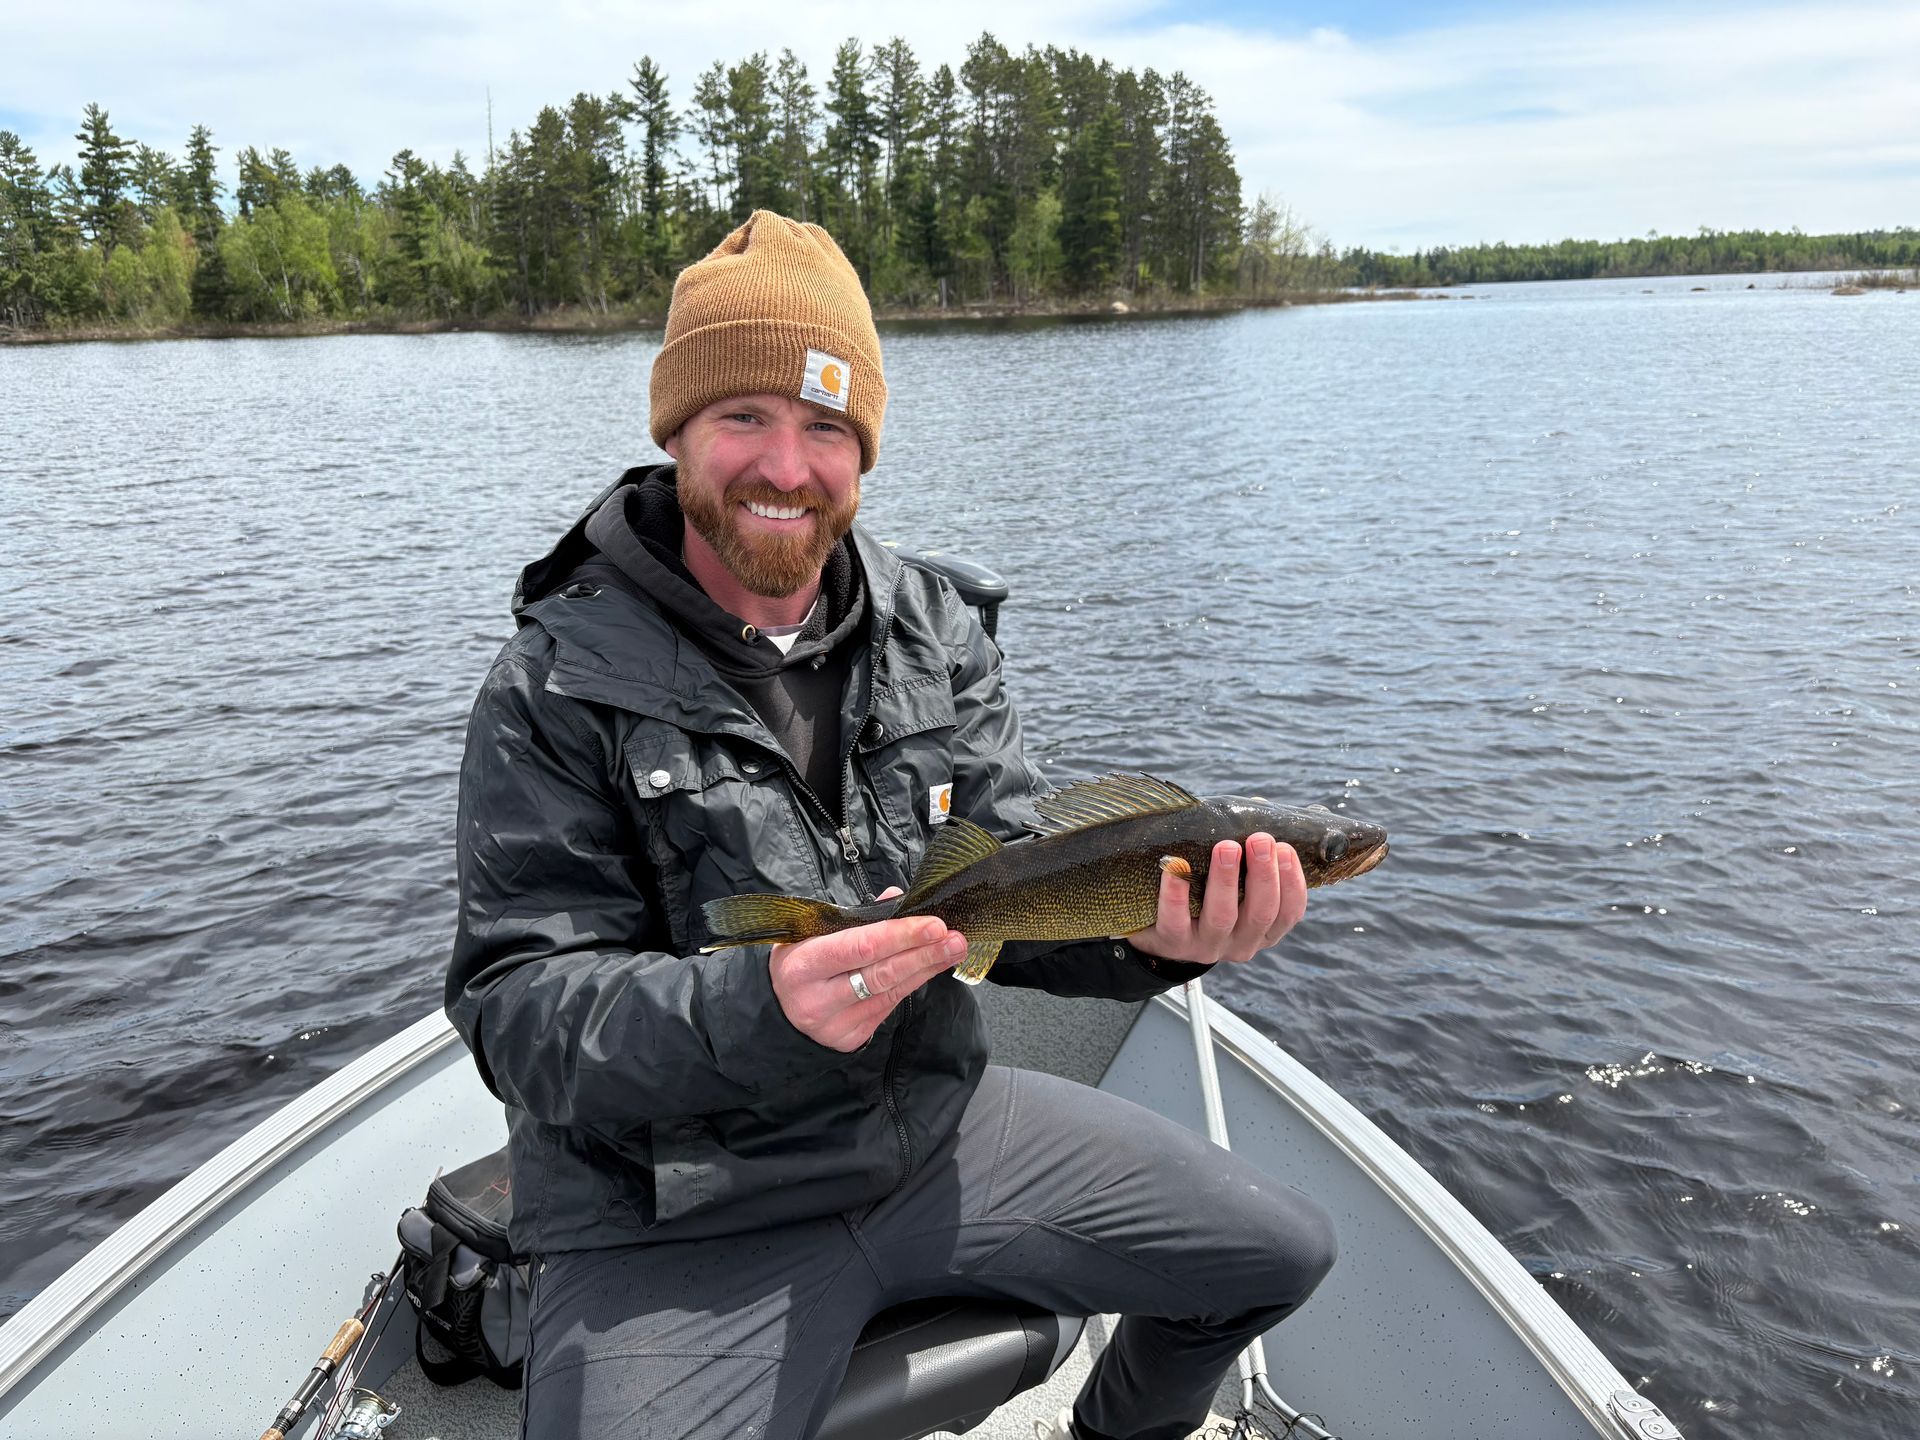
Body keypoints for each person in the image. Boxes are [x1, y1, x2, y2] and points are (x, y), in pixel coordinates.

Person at [447, 211, 1336, 1440]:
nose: (786, 467)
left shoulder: (936, 631)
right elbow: (519, 1015)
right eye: (744, 418)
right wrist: (766, 1008)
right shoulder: (552, 684)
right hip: (669, 1207)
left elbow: (1013, 903)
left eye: (826, 427)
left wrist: (1162, 942)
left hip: (925, 1128)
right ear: (678, 432)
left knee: (1275, 1252)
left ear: (862, 448)